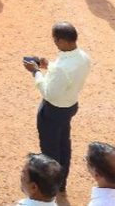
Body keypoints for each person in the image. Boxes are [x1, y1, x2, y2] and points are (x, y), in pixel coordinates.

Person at [23, 22, 92, 194]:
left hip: (53, 110)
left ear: (62, 41)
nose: (55, 43)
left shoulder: (61, 68)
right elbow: (65, 75)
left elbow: (49, 93)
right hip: (69, 106)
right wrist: (50, 67)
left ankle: (50, 186)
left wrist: (36, 72)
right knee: (63, 144)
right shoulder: (83, 57)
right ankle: (61, 182)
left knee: (50, 149)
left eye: (55, 40)